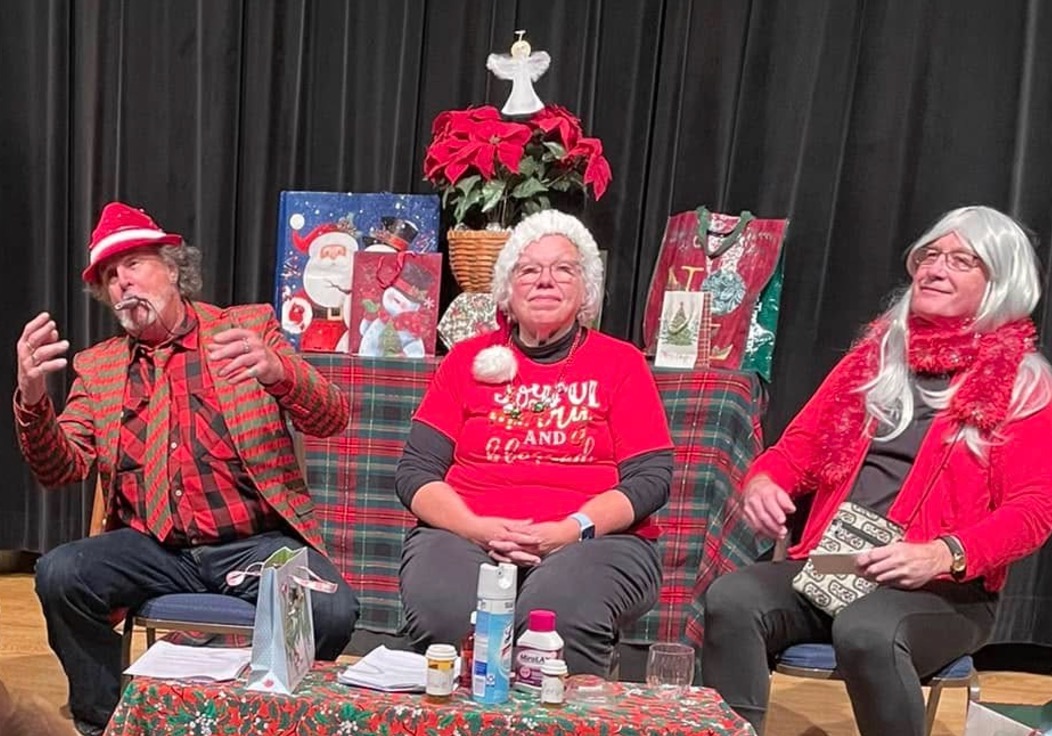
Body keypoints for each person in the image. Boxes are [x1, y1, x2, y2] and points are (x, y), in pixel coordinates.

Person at [701, 205, 1052, 735]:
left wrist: (944, 553)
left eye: (961, 261)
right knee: (733, 598)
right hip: (837, 568)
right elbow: (797, 449)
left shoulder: (1022, 384)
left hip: (943, 591)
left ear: (1001, 282)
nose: (935, 269)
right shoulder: (873, 360)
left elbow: (1034, 510)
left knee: (867, 629)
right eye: (930, 255)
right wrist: (764, 481)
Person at [14, 202, 359, 736]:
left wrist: (279, 372)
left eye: (133, 264)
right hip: (154, 549)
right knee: (61, 573)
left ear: (174, 270)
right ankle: (107, 721)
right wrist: (33, 400)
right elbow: (60, 468)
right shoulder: (99, 367)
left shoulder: (246, 328)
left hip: (253, 545)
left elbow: (331, 416)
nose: (122, 282)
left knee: (332, 611)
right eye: (110, 276)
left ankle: (260, 718)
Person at [396, 209, 673, 676]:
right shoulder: (466, 360)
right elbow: (416, 473)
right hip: (466, 533)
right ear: (507, 289)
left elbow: (651, 480)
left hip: (592, 541)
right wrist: (476, 528)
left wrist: (567, 530)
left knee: (554, 616)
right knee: (447, 611)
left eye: (563, 269)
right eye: (529, 270)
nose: (545, 280)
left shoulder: (621, 363)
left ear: (585, 290)